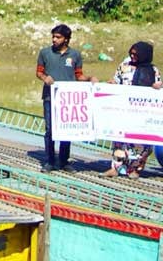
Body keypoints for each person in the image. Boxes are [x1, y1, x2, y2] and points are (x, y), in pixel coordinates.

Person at [36, 24, 91, 172]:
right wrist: (45, 78)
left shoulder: (75, 55)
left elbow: (79, 75)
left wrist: (90, 79)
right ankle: (49, 161)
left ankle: (64, 161)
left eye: (58, 37)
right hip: (50, 97)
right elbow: (39, 72)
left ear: (66, 39)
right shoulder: (45, 53)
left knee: (66, 130)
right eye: (53, 36)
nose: (54, 39)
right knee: (50, 130)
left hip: (68, 99)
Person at [105, 42, 162, 179]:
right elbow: (117, 81)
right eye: (131, 53)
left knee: (141, 141)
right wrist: (111, 84)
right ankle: (115, 168)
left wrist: (156, 87)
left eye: (136, 54)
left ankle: (135, 169)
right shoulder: (124, 67)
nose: (132, 56)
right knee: (120, 139)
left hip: (142, 112)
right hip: (124, 110)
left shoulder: (153, 70)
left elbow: (157, 87)